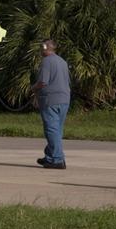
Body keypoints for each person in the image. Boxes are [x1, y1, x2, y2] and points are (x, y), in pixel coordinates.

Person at [32, 38, 71, 169]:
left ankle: (57, 160)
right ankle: (50, 156)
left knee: (51, 129)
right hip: (64, 99)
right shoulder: (62, 61)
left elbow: (43, 81)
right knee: (57, 129)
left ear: (44, 47)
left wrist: (34, 88)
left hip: (50, 100)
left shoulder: (47, 62)